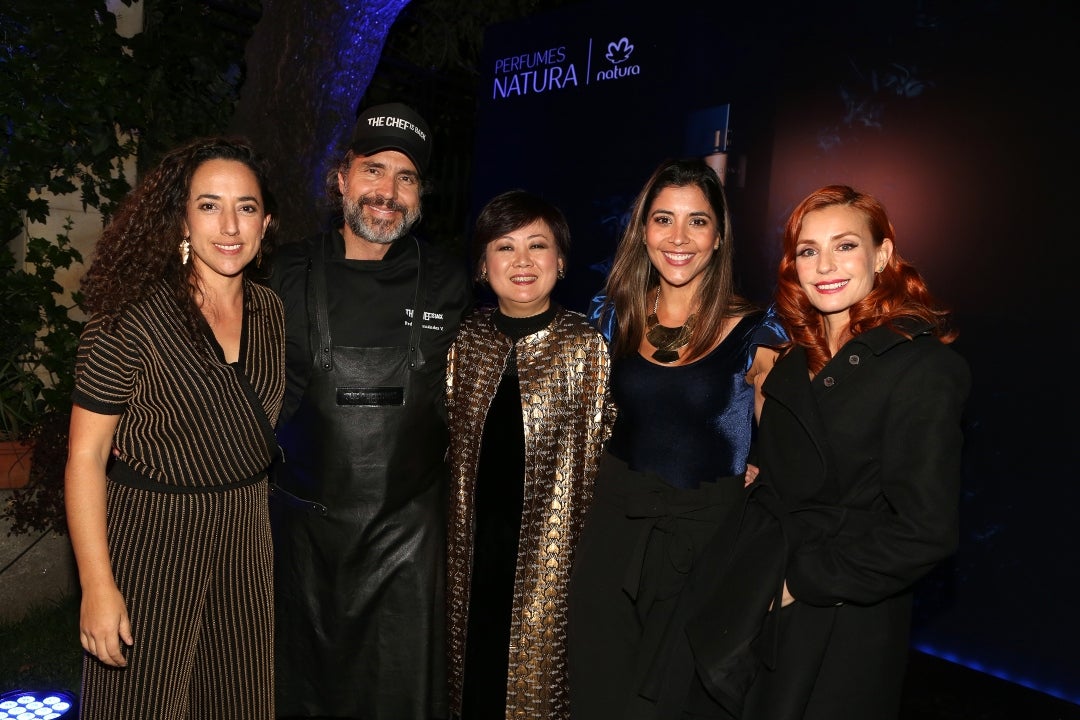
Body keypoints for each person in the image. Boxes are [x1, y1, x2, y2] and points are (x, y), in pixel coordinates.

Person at [64, 136, 284, 719]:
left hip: (245, 537)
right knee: (137, 705)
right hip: (152, 541)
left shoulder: (272, 313)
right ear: (182, 220)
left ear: (265, 223)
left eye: (246, 207)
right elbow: (86, 457)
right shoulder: (128, 319)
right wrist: (96, 584)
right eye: (209, 205)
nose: (229, 225)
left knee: (236, 702)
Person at [735, 184, 971, 719]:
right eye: (808, 250)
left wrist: (803, 582)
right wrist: (754, 480)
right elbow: (789, 473)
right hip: (762, 600)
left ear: (882, 255)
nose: (825, 266)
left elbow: (925, 531)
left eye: (845, 245)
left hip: (843, 615)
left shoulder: (922, 367)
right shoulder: (791, 361)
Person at [269, 102, 471, 720]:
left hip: (408, 548)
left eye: (406, 177)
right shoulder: (282, 272)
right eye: (373, 170)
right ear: (342, 178)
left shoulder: (450, 280)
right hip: (303, 546)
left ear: (420, 195)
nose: (388, 192)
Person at [566, 157, 786, 718]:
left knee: (675, 702)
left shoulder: (757, 332)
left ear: (719, 236)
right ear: (643, 231)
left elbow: (790, 444)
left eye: (698, 221)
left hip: (705, 541)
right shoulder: (611, 316)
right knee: (598, 690)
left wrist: (761, 473)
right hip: (613, 530)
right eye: (663, 219)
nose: (679, 237)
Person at [444, 190, 614, 720]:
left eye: (537, 245)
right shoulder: (463, 340)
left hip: (551, 560)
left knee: (537, 686)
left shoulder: (586, 346)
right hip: (468, 553)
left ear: (560, 261)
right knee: (469, 679)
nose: (522, 261)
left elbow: (611, 448)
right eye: (505, 246)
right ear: (482, 265)